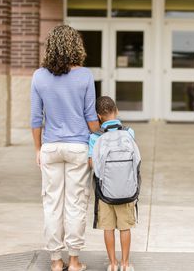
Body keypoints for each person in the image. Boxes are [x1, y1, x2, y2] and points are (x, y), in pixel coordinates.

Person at [31, 25, 100, 271]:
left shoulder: (39, 76)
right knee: (76, 203)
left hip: (50, 147)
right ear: (76, 46)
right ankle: (73, 260)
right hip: (78, 148)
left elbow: (35, 118)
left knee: (51, 204)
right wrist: (101, 133)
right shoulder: (85, 76)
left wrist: (38, 149)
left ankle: (55, 261)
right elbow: (91, 117)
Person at [88, 96, 136, 271]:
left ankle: (113, 264)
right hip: (126, 190)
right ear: (116, 111)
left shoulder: (95, 137)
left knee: (108, 227)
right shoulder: (129, 133)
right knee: (125, 227)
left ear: (99, 116)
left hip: (105, 192)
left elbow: (92, 164)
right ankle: (125, 264)